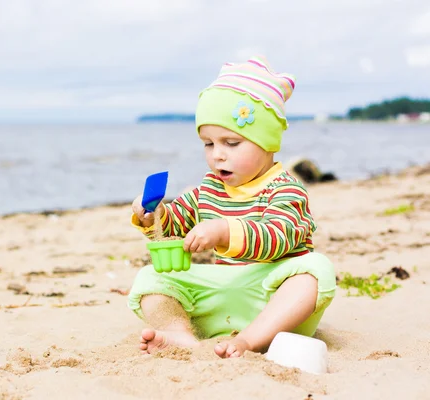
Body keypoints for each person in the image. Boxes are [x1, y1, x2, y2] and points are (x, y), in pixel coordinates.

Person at [128, 56, 336, 358]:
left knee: (316, 270)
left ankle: (250, 340)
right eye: (209, 144)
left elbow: (278, 237)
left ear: (267, 143)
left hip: (271, 302)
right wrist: (152, 215)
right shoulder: (209, 188)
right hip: (219, 300)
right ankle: (177, 332)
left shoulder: (286, 189)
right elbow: (174, 222)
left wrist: (225, 231)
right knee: (149, 278)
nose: (218, 156)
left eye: (231, 143)